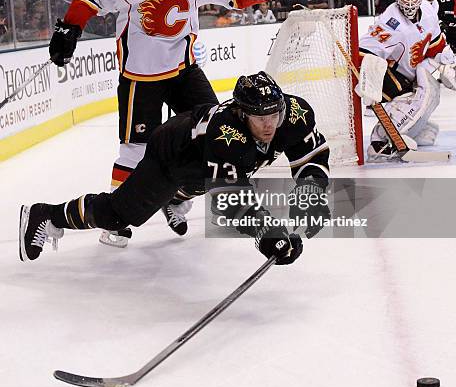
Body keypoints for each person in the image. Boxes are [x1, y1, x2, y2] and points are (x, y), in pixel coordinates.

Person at [48, 0, 276, 248]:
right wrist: (70, 28)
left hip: (184, 72)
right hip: (140, 79)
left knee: (209, 136)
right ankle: (115, 218)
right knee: (135, 151)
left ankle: (177, 198)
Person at [19, 72, 331, 265]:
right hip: (171, 155)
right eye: (258, 117)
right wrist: (267, 232)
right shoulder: (226, 133)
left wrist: (311, 196)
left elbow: (312, 156)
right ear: (240, 112)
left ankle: (176, 199)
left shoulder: (295, 113)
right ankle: (47, 214)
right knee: (119, 215)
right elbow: (229, 200)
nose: (268, 124)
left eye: (273, 115)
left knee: (205, 181)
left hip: (203, 166)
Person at [357, 0, 456, 160]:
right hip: (390, 74)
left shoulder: (428, 11)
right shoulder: (390, 21)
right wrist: (368, 81)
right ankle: (380, 142)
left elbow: (435, 45)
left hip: (411, 72)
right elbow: (364, 52)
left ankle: (413, 130)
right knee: (418, 97)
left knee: (432, 93)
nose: (409, 2)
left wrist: (447, 62)